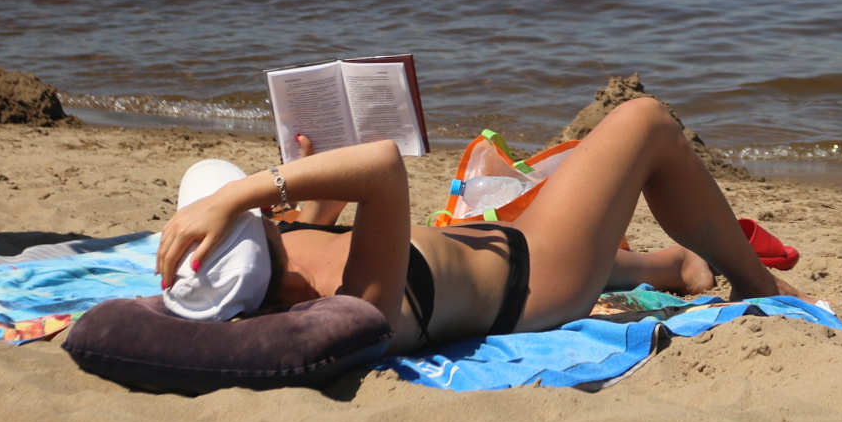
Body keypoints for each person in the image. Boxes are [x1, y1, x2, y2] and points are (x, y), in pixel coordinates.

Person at [155, 97, 796, 353]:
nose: (266, 212)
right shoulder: (359, 303)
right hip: (539, 274)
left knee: (642, 259)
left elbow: (317, 216)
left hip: (484, 245)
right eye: (256, 217)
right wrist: (241, 192)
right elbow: (381, 165)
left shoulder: (286, 254)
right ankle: (758, 283)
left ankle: (679, 265)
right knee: (646, 123)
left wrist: (299, 165)